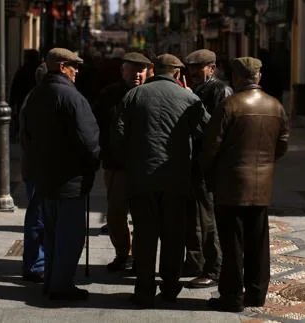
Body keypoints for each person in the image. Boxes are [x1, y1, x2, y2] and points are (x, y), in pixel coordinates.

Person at [112, 54, 210, 308]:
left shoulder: (134, 95)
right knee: (173, 236)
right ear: (178, 74)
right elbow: (207, 130)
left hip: (141, 178)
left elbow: (118, 134)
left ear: (154, 70)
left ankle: (144, 289)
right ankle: (169, 286)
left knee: (144, 235)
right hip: (176, 180)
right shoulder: (189, 97)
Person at [200, 57, 289, 312]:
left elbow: (211, 147)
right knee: (258, 244)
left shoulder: (229, 106)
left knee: (232, 245)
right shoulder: (275, 106)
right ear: (258, 77)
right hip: (262, 188)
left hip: (231, 187)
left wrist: (208, 172)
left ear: (237, 78)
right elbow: (281, 145)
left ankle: (231, 296)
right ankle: (256, 293)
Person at [22, 48, 100, 301]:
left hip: (45, 177)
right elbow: (89, 141)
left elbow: (26, 136)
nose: (77, 71)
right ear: (62, 66)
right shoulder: (71, 97)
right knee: (71, 236)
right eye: (73, 66)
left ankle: (52, 283)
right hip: (69, 180)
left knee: (53, 234)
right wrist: (92, 164)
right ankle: (61, 285)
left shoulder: (37, 94)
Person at [93, 52, 153, 272]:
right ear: (123, 70)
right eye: (132, 69)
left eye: (142, 70)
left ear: (148, 71)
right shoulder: (110, 95)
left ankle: (139, 256)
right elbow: (97, 126)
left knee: (143, 215)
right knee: (116, 213)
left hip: (146, 166)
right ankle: (122, 254)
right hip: (117, 165)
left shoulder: (152, 94)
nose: (137, 74)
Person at [182, 49, 233, 288]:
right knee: (191, 215)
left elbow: (216, 129)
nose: (192, 72)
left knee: (207, 217)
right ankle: (194, 260)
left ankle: (214, 268)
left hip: (207, 164)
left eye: (198, 67)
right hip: (191, 162)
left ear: (211, 69)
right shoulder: (195, 89)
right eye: (190, 67)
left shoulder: (219, 90)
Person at [19, 62, 48, 283]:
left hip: (36, 167)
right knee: (38, 218)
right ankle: (35, 265)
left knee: (40, 216)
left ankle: (40, 262)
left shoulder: (35, 97)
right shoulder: (39, 100)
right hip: (39, 168)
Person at [10, 49, 41, 141]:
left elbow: (14, 88)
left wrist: (11, 103)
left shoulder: (22, 70)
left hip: (23, 101)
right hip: (37, 102)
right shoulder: (40, 70)